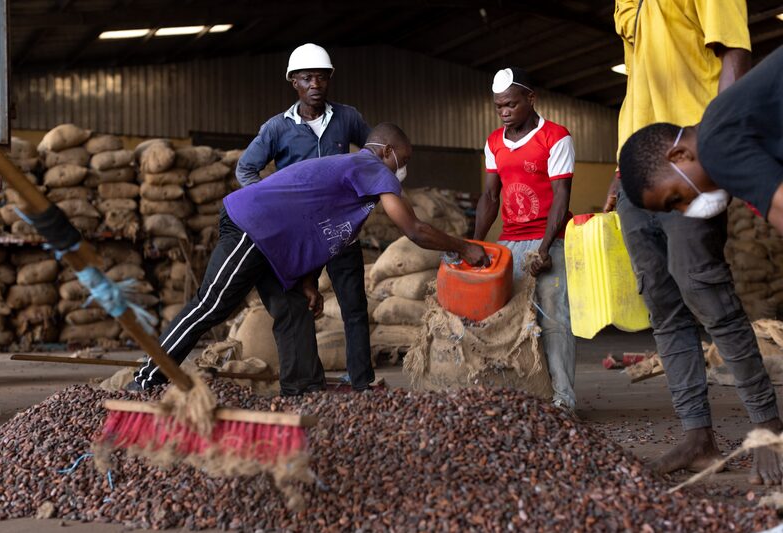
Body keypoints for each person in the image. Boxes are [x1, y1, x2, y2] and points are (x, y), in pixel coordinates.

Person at [131, 123, 488, 395]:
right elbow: (415, 229)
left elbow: (317, 231)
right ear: (386, 151)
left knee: (294, 309)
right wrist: (464, 246)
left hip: (275, 243)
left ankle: (303, 392)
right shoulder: (372, 168)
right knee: (211, 306)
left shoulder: (354, 183)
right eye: (404, 160)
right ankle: (147, 379)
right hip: (252, 227)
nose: (403, 169)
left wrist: (307, 282)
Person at [606, 0, 783, 484]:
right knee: (662, 307)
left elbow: (735, 54)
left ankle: (769, 428)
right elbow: (638, 86)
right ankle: (696, 436)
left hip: (689, 161)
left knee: (710, 300)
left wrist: (722, 144)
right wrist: (626, 171)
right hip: (641, 171)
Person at [235, 43, 375, 391]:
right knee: (301, 306)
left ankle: (361, 383)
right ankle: (307, 382)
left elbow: (376, 151)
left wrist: (362, 198)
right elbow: (245, 169)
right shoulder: (277, 129)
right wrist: (271, 207)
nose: (315, 84)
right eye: (307, 78)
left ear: (329, 80)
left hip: (342, 232)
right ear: (293, 82)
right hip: (300, 238)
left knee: (354, 308)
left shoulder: (347, 118)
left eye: (322, 77)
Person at [473, 67, 577, 414]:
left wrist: (545, 248)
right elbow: (489, 198)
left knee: (553, 319)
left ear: (530, 99)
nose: (504, 112)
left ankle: (564, 399)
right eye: (499, 106)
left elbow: (561, 196)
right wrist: (476, 245)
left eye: (511, 104)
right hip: (509, 242)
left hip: (550, 239)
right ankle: (523, 397)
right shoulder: (493, 142)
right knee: (507, 320)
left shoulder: (555, 136)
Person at [619, 46, 783, 235]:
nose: (686, 210)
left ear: (679, 156)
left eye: (676, 199)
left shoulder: (714, 147)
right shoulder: (724, 123)